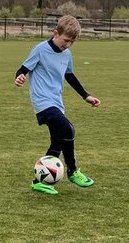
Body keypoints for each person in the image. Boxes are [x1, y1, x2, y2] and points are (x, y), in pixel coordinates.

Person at [14, 14, 101, 195]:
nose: (68, 45)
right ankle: (72, 171)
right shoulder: (40, 49)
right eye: (66, 40)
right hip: (43, 103)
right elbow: (23, 69)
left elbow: (69, 76)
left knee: (59, 140)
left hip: (56, 103)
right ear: (56, 33)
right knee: (67, 129)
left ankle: (39, 182)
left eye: (72, 42)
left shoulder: (67, 54)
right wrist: (20, 76)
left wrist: (86, 96)